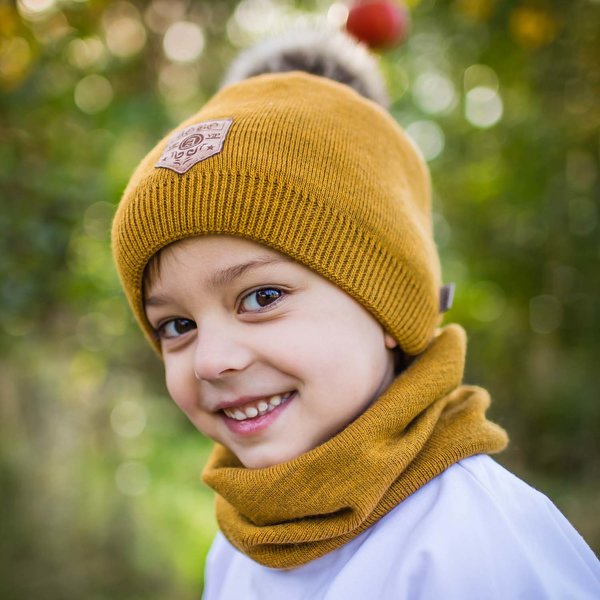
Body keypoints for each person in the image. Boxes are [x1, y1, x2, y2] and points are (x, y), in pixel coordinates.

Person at [111, 28, 600, 599]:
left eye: (262, 297)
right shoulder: (241, 543)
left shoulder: (475, 546)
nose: (211, 361)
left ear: (389, 308)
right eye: (177, 326)